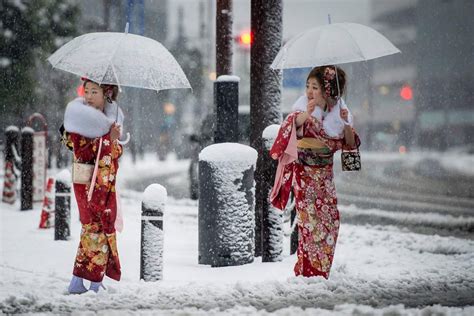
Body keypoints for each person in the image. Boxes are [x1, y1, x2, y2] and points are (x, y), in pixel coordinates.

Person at [269, 65, 360, 279]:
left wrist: (346, 124)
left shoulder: (338, 114)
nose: (309, 91)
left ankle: (320, 270)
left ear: (327, 90)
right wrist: (305, 116)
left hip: (325, 177)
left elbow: (349, 147)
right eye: (308, 86)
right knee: (310, 223)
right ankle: (310, 272)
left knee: (331, 221)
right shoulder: (302, 110)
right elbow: (289, 127)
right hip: (306, 175)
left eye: (315, 87)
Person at [62, 78, 124, 294]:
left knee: (93, 230)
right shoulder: (80, 119)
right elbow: (84, 152)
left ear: (106, 95)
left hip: (102, 184)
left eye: (94, 92)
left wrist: (112, 139)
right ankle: (93, 283)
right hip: (88, 184)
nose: (88, 96)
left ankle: (78, 281)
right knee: (97, 230)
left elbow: (113, 154)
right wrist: (108, 138)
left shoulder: (107, 120)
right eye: (86, 91)